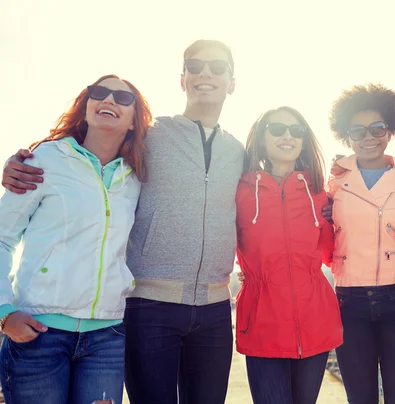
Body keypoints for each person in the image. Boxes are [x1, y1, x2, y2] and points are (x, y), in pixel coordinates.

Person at [1, 39, 245, 404]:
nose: (205, 73)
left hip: (207, 309)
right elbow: (90, 147)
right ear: (182, 79)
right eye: (194, 66)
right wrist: (19, 165)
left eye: (216, 66)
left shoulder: (238, 150)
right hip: (146, 306)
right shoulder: (152, 137)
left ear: (232, 81)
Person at [0, 74, 152, 404]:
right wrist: (4, 310)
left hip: (106, 339)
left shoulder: (137, 177)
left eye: (122, 98)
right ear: (85, 108)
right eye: (100, 93)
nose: (109, 100)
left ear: (133, 121)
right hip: (38, 335)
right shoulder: (45, 161)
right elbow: (2, 238)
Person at [235, 106, 343, 404]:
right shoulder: (241, 191)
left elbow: (331, 254)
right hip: (262, 327)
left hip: (316, 323)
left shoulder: (319, 193)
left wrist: (340, 218)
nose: (288, 136)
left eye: (296, 131)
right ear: (262, 136)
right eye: (278, 129)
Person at [327, 83, 395, 404]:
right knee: (360, 398)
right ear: (346, 136)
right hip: (349, 302)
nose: (368, 137)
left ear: (390, 130)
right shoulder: (333, 181)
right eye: (357, 131)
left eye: (377, 127)